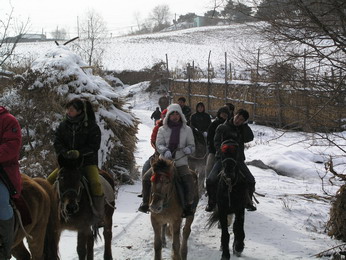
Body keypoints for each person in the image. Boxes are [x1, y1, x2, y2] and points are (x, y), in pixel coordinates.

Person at [47, 98, 104, 223]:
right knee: (48, 182)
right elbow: (57, 142)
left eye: (71, 109)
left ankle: (99, 216)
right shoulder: (63, 125)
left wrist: (80, 153)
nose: (68, 112)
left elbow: (94, 146)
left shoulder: (92, 126)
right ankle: (47, 213)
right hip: (67, 164)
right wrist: (64, 153)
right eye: (68, 109)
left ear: (79, 111)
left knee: (95, 184)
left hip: (87, 163)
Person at [138, 103, 195, 217]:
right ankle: (145, 203)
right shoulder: (162, 129)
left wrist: (189, 149)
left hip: (180, 162)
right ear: (168, 115)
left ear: (180, 115)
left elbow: (192, 145)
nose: (175, 116)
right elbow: (159, 144)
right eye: (172, 113)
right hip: (164, 163)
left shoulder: (187, 129)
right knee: (146, 178)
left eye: (177, 114)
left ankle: (188, 206)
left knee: (188, 180)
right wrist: (165, 151)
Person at [205, 108, 256, 212]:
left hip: (238, 159)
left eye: (241, 120)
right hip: (223, 159)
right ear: (234, 115)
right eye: (237, 117)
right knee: (210, 179)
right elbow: (216, 142)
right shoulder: (222, 127)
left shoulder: (242, 129)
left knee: (250, 180)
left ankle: (248, 201)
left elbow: (250, 137)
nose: (238, 121)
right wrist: (222, 153)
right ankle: (211, 202)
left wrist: (244, 125)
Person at [0, 106, 22, 260]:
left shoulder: (8, 120)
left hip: (3, 172)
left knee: (1, 203)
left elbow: (11, 147)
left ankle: (5, 250)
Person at [205, 106, 232, 182]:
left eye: (226, 114)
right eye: (222, 113)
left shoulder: (230, 125)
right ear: (219, 114)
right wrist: (212, 149)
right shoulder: (214, 124)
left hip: (227, 151)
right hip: (214, 150)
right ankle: (208, 183)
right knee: (209, 167)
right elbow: (209, 138)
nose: (224, 115)